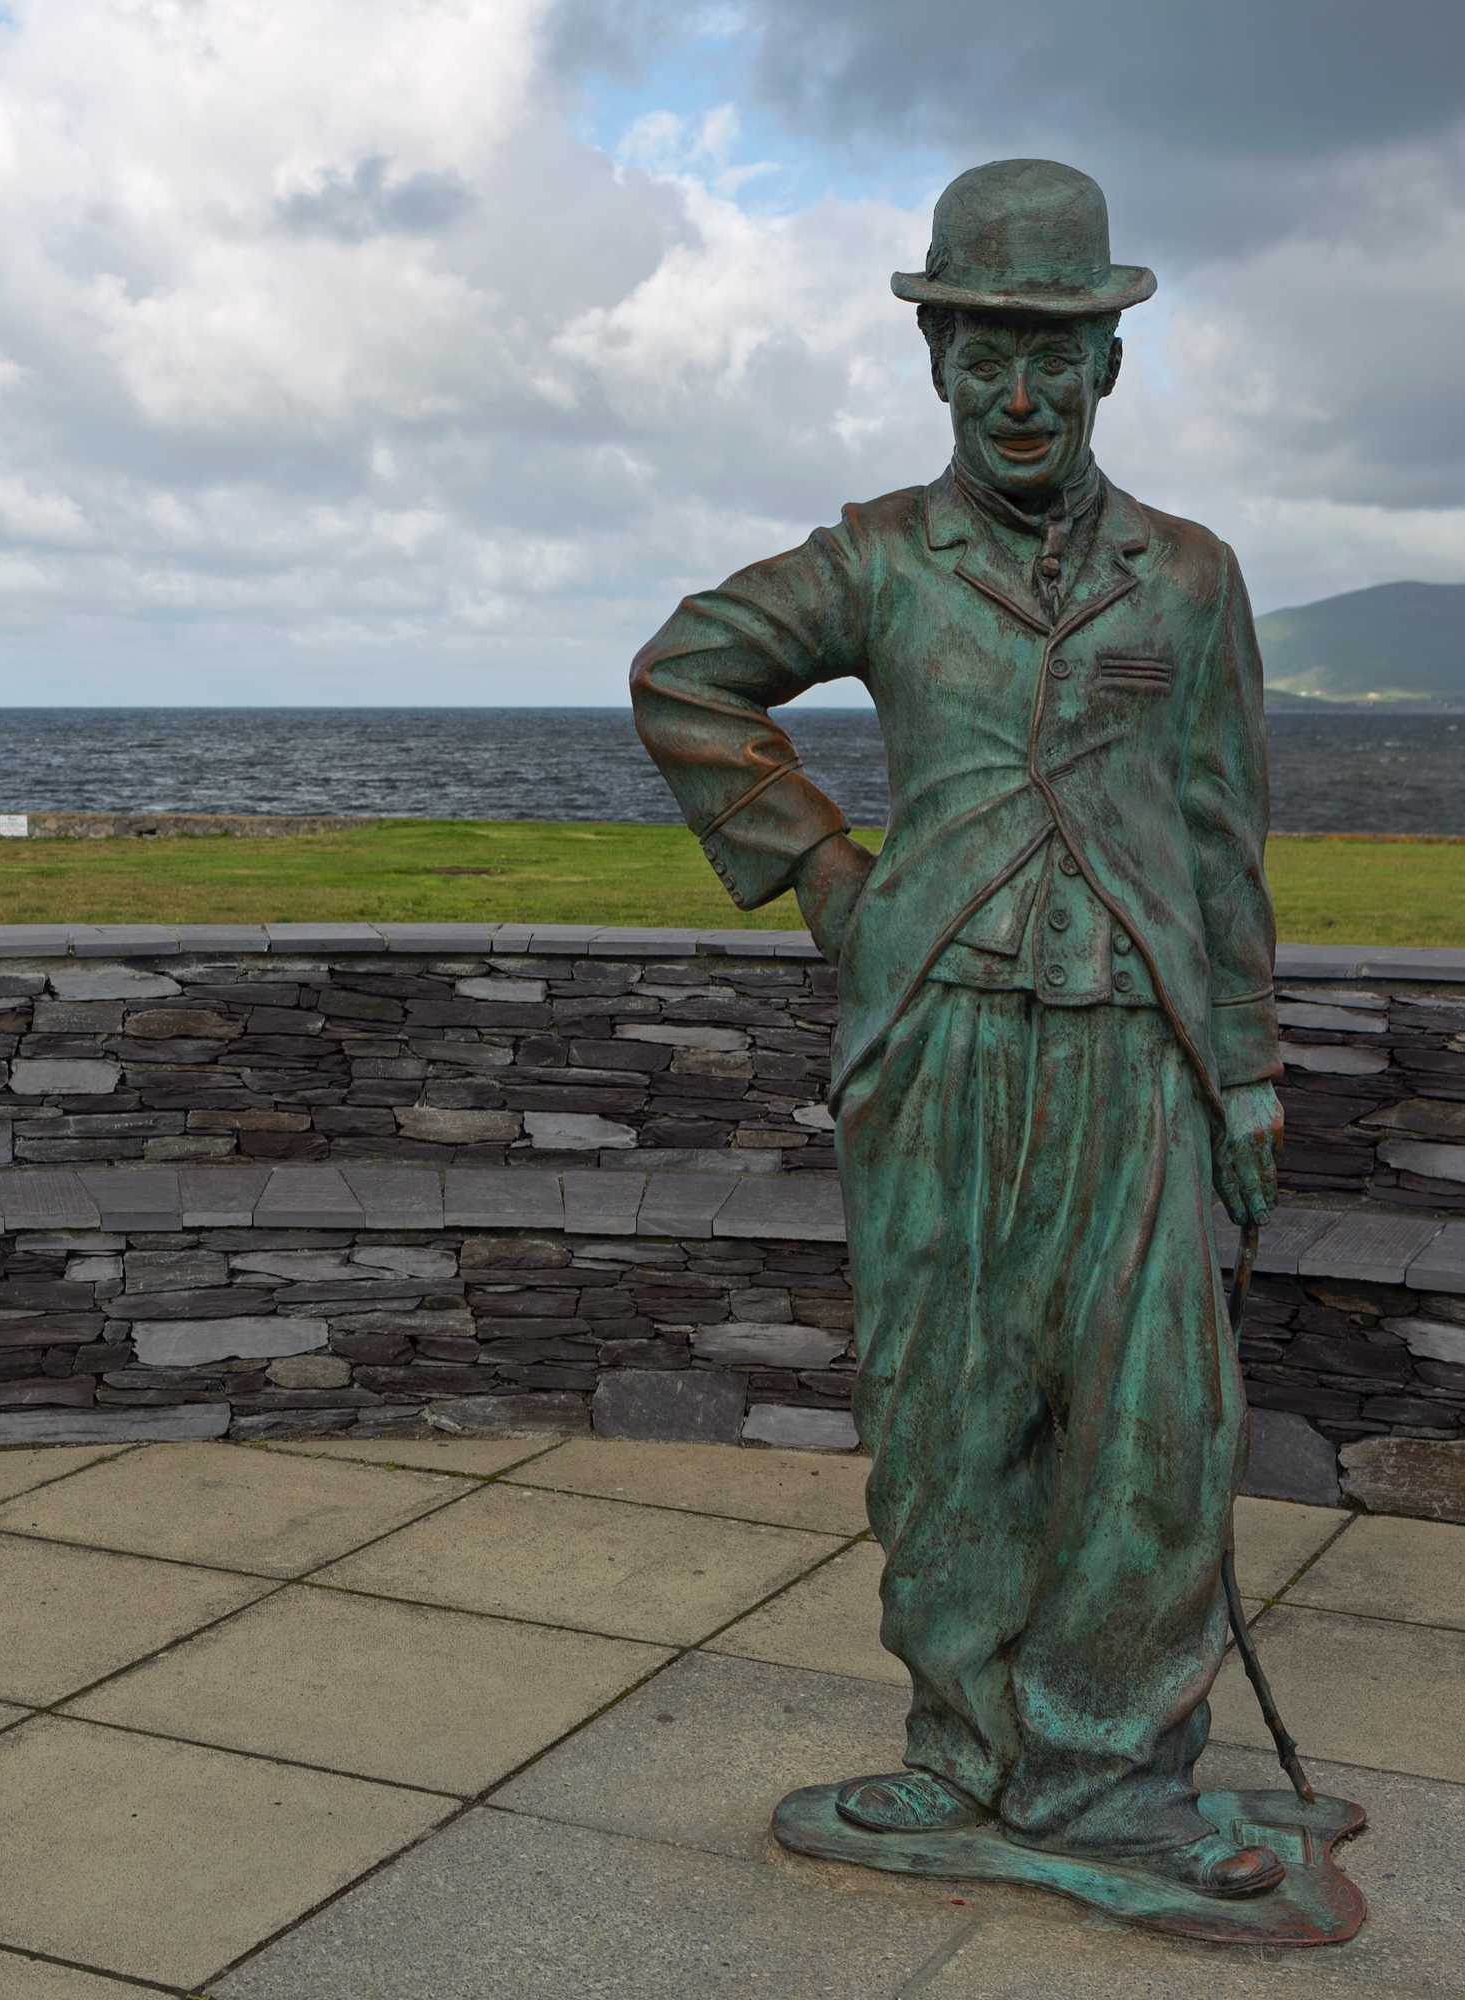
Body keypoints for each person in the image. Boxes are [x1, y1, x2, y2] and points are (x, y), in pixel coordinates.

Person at [630, 157, 1287, 1898]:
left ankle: (1105, 1770)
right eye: (985, 354)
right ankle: (967, 1750)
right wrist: (825, 870)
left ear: (1108, 367)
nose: (1018, 394)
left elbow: (1221, 833)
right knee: (944, 1414)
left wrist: (1245, 1067)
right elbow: (686, 674)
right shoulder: (879, 558)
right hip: (940, 1045)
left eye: (1052, 356)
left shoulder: (1189, 576)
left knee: (1156, 1430)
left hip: (1132, 1051)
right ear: (935, 360)